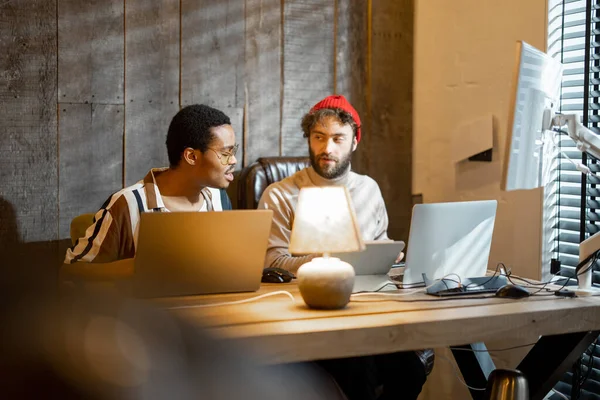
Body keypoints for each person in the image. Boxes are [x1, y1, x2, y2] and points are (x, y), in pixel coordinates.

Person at [258, 95, 428, 400]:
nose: (327, 149)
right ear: (309, 140)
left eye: (338, 138)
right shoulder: (280, 194)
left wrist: (388, 256)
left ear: (354, 142)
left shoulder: (369, 189)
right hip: (308, 317)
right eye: (319, 138)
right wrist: (331, 261)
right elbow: (273, 262)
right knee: (360, 370)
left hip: (367, 313)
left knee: (410, 372)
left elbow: (379, 244)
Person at [63, 104, 237, 266]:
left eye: (233, 151)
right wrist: (140, 268)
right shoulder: (127, 204)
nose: (233, 160)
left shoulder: (219, 198)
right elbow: (74, 269)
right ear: (191, 156)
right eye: (225, 153)